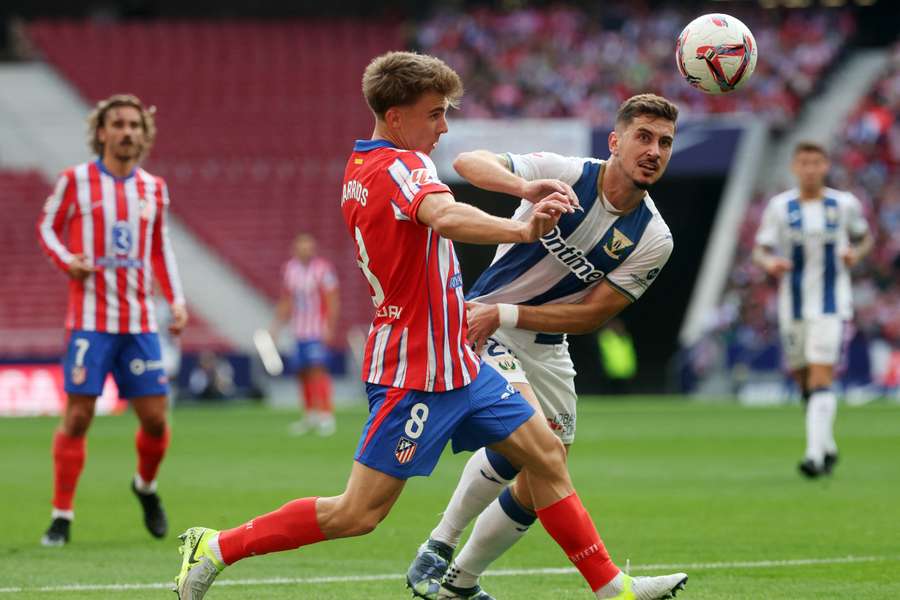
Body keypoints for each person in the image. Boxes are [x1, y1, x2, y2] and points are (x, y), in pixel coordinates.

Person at [173, 52, 686, 600]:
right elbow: (445, 215)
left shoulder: (361, 166)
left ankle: (610, 588)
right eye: (435, 115)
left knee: (547, 456)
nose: (444, 128)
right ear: (397, 118)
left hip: (461, 356)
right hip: (415, 365)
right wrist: (521, 231)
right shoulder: (404, 166)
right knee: (357, 513)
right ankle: (218, 546)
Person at [406, 93, 678, 599]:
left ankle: (457, 583)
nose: (654, 151)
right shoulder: (568, 173)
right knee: (537, 447)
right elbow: (467, 161)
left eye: (664, 142)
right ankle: (439, 544)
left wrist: (507, 313)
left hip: (544, 344)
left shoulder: (653, 238)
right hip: (482, 328)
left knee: (538, 480)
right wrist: (524, 186)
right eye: (643, 137)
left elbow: (593, 314)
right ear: (616, 142)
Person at [36, 94, 188, 546]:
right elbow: (47, 228)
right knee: (79, 417)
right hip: (89, 321)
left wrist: (176, 301)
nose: (127, 132)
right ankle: (61, 515)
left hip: (140, 322)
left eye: (134, 125)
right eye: (118, 124)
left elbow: (160, 248)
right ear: (101, 132)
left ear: (144, 135)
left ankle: (145, 487)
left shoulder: (153, 189)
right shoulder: (74, 181)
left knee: (157, 421)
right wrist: (68, 260)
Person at [752, 141, 872, 478]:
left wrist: (856, 255)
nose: (810, 168)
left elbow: (864, 238)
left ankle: (813, 456)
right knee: (805, 380)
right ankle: (827, 445)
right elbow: (760, 249)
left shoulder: (844, 204)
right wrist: (770, 262)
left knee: (821, 375)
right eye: (804, 162)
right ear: (794, 167)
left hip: (832, 304)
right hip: (792, 305)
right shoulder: (780, 207)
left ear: (825, 166)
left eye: (816, 162)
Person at [272, 233, 339, 436]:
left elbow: (332, 299)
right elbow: (287, 299)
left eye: (309, 246)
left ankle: (326, 415)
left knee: (317, 369)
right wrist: (276, 326)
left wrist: (330, 326)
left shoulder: (323, 269)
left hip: (316, 329)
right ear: (295, 248)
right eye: (302, 246)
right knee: (302, 372)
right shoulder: (289, 269)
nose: (306, 250)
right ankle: (310, 414)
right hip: (298, 329)